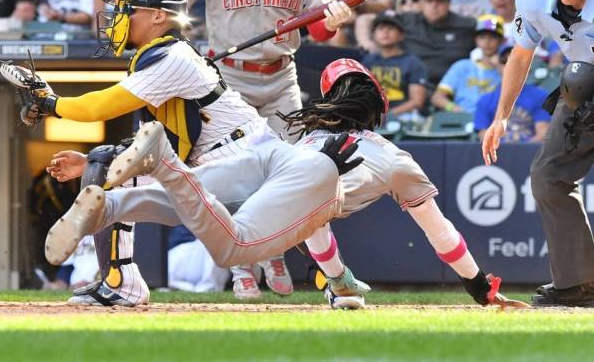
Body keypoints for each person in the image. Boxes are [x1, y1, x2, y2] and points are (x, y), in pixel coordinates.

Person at [45, 59, 527, 310]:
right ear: (376, 107)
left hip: (269, 152)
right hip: (308, 180)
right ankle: (166, 159)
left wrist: (339, 280)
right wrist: (480, 286)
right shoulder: (395, 157)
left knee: (186, 204)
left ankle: (110, 205)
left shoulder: (313, 131)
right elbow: (440, 234)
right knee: (232, 248)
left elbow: (311, 224)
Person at [7, 0, 362, 305]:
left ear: (159, 16)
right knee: (107, 167)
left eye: (128, 10)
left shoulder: (170, 59)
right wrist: (89, 163)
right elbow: (152, 140)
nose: (118, 17)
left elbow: (102, 105)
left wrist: (52, 104)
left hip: (241, 157)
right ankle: (121, 283)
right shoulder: (160, 56)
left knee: (304, 218)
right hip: (217, 157)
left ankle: (338, 281)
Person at [172, 0, 353, 294]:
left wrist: (335, 19)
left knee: (287, 168)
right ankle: (241, 266)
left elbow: (321, 29)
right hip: (230, 77)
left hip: (279, 76)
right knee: (233, 170)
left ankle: (271, 251)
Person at [481, 0, 594, 308]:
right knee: (547, 177)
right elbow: (521, 56)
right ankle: (580, 283)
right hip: (584, 90)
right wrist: (501, 117)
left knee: (578, 75)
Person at [391, 0, 477, 85]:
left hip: (455, 85)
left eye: (439, 1)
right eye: (429, 1)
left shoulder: (467, 24)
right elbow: (371, 19)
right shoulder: (407, 21)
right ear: (422, 4)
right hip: (414, 84)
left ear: (449, 3)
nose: (434, 5)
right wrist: (367, 40)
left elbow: (490, 29)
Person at [474, 44, 550, 142]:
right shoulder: (485, 100)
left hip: (530, 153)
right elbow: (484, 136)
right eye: (504, 61)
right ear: (498, 66)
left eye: (517, 61)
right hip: (499, 155)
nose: (510, 65)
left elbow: (543, 133)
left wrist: (517, 152)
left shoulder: (540, 96)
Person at [431, 14, 503, 114]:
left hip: (496, 121)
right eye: (482, 37)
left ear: (501, 41)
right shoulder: (462, 66)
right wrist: (454, 109)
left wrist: (498, 66)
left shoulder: (507, 69)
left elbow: (520, 96)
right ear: (476, 40)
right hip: (463, 121)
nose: (487, 42)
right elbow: (437, 97)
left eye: (492, 37)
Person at [362, 12, 429, 119]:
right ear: (373, 35)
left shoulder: (413, 63)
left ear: (401, 35)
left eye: (391, 28)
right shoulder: (367, 62)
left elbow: (417, 102)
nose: (385, 31)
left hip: (404, 115)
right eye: (381, 28)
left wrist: (388, 115)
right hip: (372, 116)